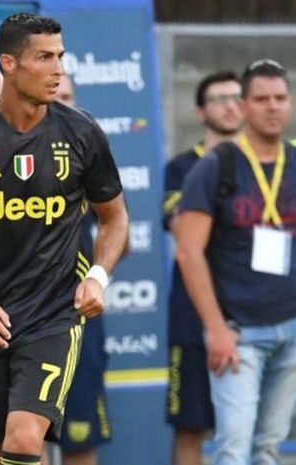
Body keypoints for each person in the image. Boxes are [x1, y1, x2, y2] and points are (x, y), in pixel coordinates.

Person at [0, 13, 129, 465]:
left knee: (23, 438)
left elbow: (114, 219)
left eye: (60, 56)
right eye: (44, 57)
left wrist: (96, 277)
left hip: (55, 314)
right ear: (8, 63)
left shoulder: (81, 131)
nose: (58, 69)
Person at [176, 59, 296, 465]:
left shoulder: (295, 161)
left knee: (269, 446)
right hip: (238, 332)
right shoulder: (216, 166)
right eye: (261, 99)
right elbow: (188, 251)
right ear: (243, 106)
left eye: (280, 98)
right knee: (233, 448)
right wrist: (215, 328)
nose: (273, 107)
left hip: (291, 327)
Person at [162, 71, 243, 465]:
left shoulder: (265, 164)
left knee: (251, 423)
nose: (231, 105)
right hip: (192, 316)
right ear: (200, 111)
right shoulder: (181, 167)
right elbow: (184, 231)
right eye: (219, 98)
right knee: (190, 425)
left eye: (237, 97)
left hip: (253, 310)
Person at [49, 73, 113, 465]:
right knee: (22, 440)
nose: (61, 104)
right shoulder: (2, 154)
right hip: (18, 317)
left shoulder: (90, 154)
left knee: (80, 438)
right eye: (55, 95)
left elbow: (117, 225)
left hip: (79, 317)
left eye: (69, 96)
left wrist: (96, 276)